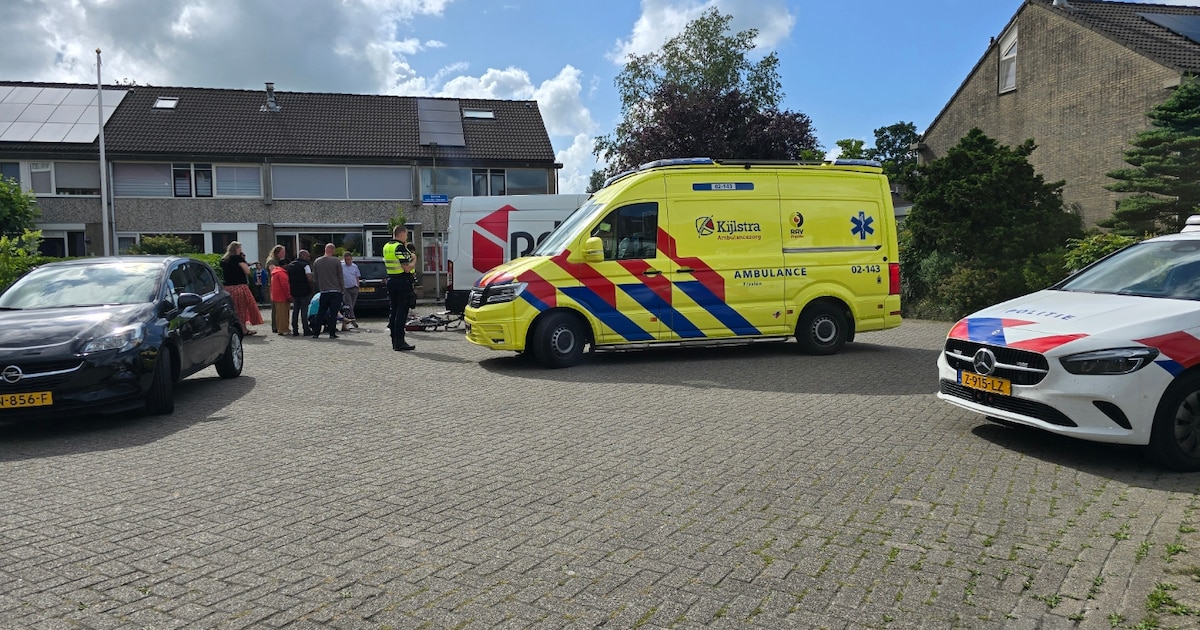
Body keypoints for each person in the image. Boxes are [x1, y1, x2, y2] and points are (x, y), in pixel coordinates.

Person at [383, 224, 417, 351]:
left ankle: (394, 340)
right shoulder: (399, 247)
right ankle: (400, 341)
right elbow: (407, 268)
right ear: (401, 233)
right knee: (401, 312)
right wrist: (414, 259)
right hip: (402, 281)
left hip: (391, 280)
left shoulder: (387, 246)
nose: (406, 237)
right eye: (406, 234)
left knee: (394, 310)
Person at [219, 241, 263, 336]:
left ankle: (235, 328)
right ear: (236, 249)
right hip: (239, 287)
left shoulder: (224, 260)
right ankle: (244, 329)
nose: (241, 250)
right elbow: (247, 271)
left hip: (228, 288)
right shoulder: (238, 258)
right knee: (243, 308)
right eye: (240, 248)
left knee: (233, 309)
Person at [310, 243, 344, 339]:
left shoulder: (317, 261)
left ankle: (316, 333)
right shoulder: (336, 261)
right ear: (332, 250)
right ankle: (332, 333)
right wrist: (342, 289)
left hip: (324, 291)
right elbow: (340, 277)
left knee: (321, 312)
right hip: (335, 290)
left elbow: (315, 277)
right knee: (333, 313)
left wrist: (320, 286)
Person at [286, 250, 314, 337]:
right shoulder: (305, 265)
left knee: (295, 310)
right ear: (304, 256)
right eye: (308, 256)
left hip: (294, 291)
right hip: (304, 291)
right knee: (304, 311)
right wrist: (312, 288)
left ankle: (295, 330)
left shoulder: (290, 265)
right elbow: (309, 278)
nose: (309, 258)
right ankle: (306, 329)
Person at [265, 244, 287, 332]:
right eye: (282, 252)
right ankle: (276, 326)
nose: (284, 254)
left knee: (279, 307)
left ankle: (279, 325)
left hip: (277, 285)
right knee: (276, 307)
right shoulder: (271, 261)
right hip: (274, 286)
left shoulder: (277, 261)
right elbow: (274, 272)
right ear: (277, 253)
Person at [269, 255, 292, 336]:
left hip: (276, 296)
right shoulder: (282, 274)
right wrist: (289, 296)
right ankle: (283, 329)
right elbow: (285, 286)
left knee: (278, 315)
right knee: (284, 314)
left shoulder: (275, 273)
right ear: (285, 265)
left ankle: (280, 328)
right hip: (282, 296)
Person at [341, 251, 361, 330]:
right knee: (349, 305)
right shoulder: (341, 266)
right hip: (346, 288)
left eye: (349, 259)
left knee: (352, 305)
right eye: (346, 260)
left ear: (351, 259)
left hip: (354, 288)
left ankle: (347, 321)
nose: (347, 261)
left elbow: (357, 277)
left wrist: (358, 286)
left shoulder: (355, 266)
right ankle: (353, 321)